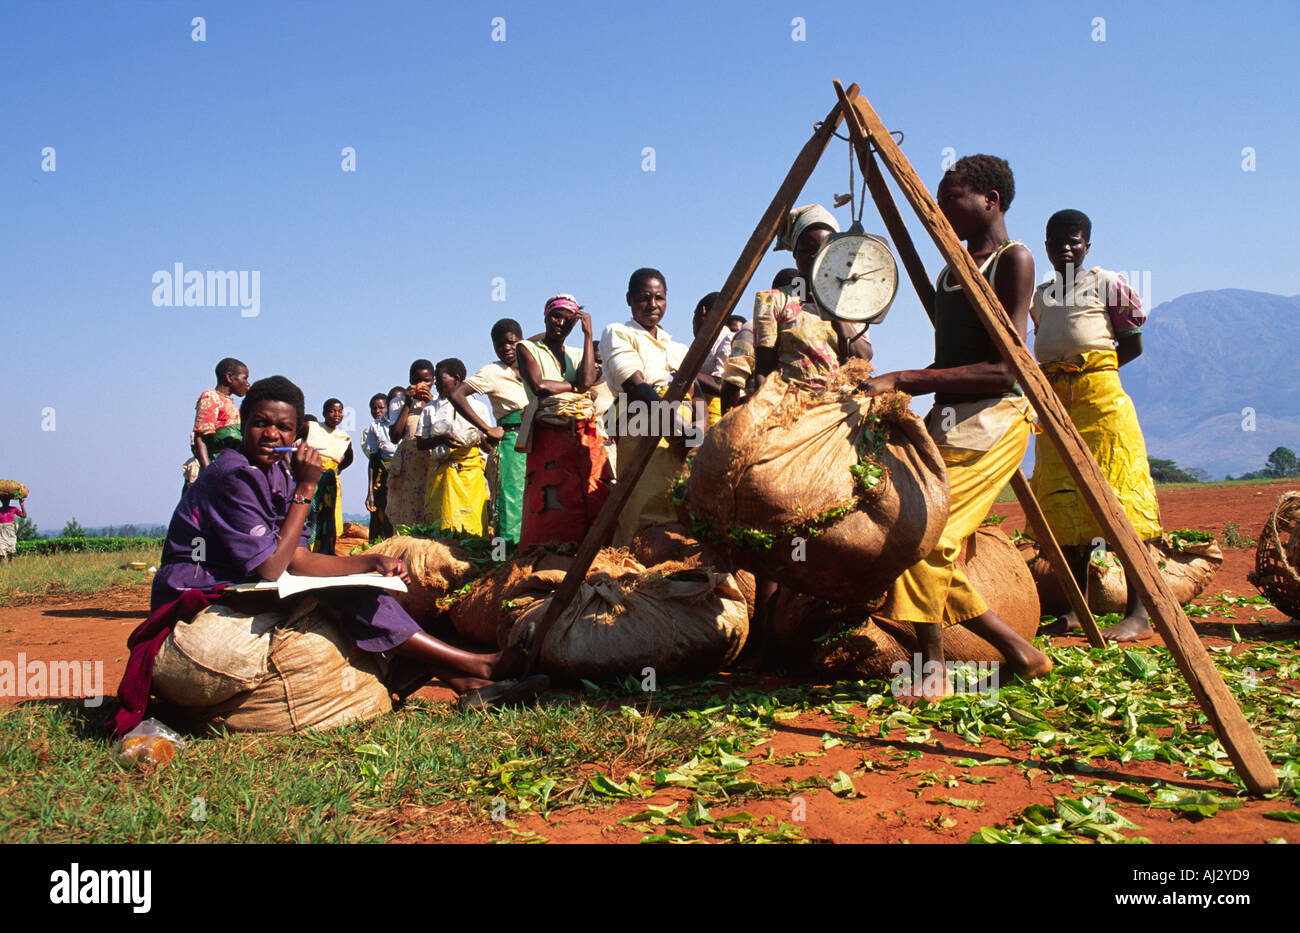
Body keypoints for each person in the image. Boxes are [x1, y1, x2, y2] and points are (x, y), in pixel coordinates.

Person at [133, 375, 543, 722]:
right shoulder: (233, 474)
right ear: (243, 424)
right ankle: (477, 667)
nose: (272, 435)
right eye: (260, 423)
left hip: (244, 582)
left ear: (297, 434)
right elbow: (275, 568)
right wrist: (307, 488)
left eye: (284, 428)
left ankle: (463, 680)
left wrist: (371, 561)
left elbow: (298, 556)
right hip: (198, 592)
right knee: (347, 597)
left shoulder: (277, 472)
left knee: (367, 587)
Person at [863, 154, 1052, 699]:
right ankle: (1020, 653)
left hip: (994, 420)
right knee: (912, 534)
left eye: (953, 201)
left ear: (990, 201)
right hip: (948, 422)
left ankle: (932, 670)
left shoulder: (1013, 261)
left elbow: (1007, 366)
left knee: (927, 539)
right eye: (939, 202)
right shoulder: (952, 270)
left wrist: (907, 377)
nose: (942, 212)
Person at [1029, 209, 1161, 641]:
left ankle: (1139, 614)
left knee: (1119, 497)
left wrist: (1088, 374)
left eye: (1075, 240)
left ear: (1087, 244)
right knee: (1066, 501)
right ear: (1046, 246)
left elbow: (1133, 344)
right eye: (1057, 241)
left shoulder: (1108, 283)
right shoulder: (1041, 297)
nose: (1066, 248)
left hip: (1100, 402)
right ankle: (1074, 608)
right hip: (1054, 406)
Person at [600, 268, 702, 546]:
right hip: (643, 428)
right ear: (629, 299)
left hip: (680, 434)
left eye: (659, 297)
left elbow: (699, 393)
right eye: (644, 298)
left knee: (680, 503)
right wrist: (678, 428)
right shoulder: (618, 333)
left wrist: (697, 435)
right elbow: (636, 387)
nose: (652, 304)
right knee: (644, 506)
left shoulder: (676, 346)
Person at [515, 295, 613, 548]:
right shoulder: (527, 348)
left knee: (588, 489)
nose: (560, 323)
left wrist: (588, 334)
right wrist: (575, 386)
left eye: (568, 320)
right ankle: (546, 549)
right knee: (550, 490)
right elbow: (539, 386)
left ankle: (587, 549)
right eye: (555, 316)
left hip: (580, 430)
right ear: (546, 317)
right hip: (549, 433)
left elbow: (589, 381)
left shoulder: (577, 352)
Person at [752, 206, 873, 391]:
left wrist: (833, 309)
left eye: (824, 250)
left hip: (841, 407)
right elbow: (763, 371)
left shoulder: (848, 303)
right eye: (808, 250)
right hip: (791, 407)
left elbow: (863, 357)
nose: (815, 257)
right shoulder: (775, 301)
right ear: (795, 254)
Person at [449, 319, 530, 545]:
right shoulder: (492, 372)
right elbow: (456, 395)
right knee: (510, 503)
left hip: (539, 438)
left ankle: (533, 556)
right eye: (499, 345)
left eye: (511, 343)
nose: (506, 348)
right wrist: (486, 429)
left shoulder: (533, 365)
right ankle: (504, 562)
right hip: (512, 441)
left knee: (538, 500)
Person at [415, 359, 491, 535]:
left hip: (469, 475)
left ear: (456, 379)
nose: (435, 384)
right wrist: (441, 438)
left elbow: (487, 447)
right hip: (441, 475)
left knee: (471, 526)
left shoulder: (477, 407)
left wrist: (479, 435)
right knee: (440, 525)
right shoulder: (430, 409)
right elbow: (421, 443)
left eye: (439, 379)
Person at [307, 399, 353, 554]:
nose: (336, 415)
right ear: (324, 413)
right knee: (309, 516)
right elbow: (291, 442)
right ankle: (305, 550)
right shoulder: (312, 427)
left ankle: (324, 552)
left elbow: (349, 458)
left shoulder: (344, 437)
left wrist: (337, 469)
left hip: (330, 482)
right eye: (332, 411)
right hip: (311, 478)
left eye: (340, 411)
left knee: (328, 518)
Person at [193, 358, 250, 470]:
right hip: (218, 466)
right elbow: (201, 438)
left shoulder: (229, 402)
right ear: (229, 377)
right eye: (245, 378)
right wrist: (208, 472)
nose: (248, 384)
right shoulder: (211, 397)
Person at [691, 292, 733, 428]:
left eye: (694, 315)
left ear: (702, 312)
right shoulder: (701, 344)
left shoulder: (727, 339)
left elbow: (721, 385)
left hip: (716, 413)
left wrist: (686, 374)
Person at [362, 393, 399, 542]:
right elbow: (373, 460)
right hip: (384, 478)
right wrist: (370, 491)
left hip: (406, 478)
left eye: (380, 407)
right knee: (381, 518)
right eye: (373, 408)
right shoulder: (375, 428)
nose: (377, 411)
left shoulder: (406, 422)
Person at [388, 359, 436, 444]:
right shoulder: (398, 402)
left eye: (426, 381)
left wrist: (430, 403)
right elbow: (394, 438)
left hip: (433, 455)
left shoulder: (438, 401)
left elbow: (442, 428)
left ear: (433, 381)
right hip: (408, 455)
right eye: (417, 381)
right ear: (410, 380)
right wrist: (407, 405)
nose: (421, 384)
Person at [0, 494, 26, 562]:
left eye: (7, 500)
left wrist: (22, 505)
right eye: (4, 500)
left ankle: (10, 563)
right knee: (1, 549)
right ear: (1, 501)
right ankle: (3, 567)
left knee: (11, 549)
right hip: (2, 532)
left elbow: (24, 515)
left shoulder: (13, 509)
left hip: (11, 531)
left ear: (9, 501)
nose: (5, 502)